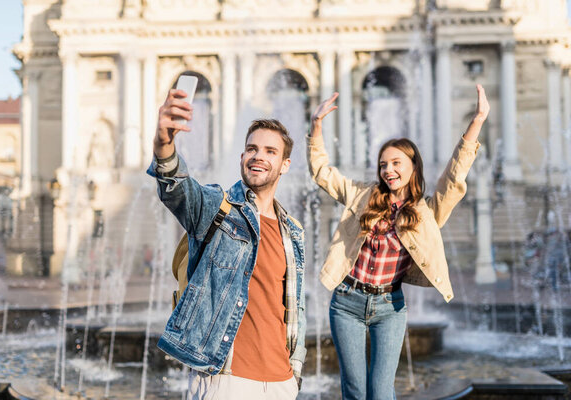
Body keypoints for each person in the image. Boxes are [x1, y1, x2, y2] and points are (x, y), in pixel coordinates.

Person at [307, 84, 490, 399]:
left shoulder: (426, 212)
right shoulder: (362, 195)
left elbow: (453, 179)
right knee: (354, 389)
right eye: (383, 165)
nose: (388, 170)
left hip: (390, 306)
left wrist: (477, 121)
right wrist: (317, 126)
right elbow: (323, 172)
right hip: (347, 302)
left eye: (396, 163)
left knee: (380, 391)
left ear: (412, 167)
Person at [147, 88, 306, 400]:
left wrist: (295, 371)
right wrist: (163, 143)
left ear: (285, 164)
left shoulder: (293, 231)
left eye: (270, 151)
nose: (259, 156)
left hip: (281, 383)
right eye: (252, 149)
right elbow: (176, 188)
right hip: (226, 379)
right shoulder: (216, 207)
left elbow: (295, 306)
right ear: (242, 156)